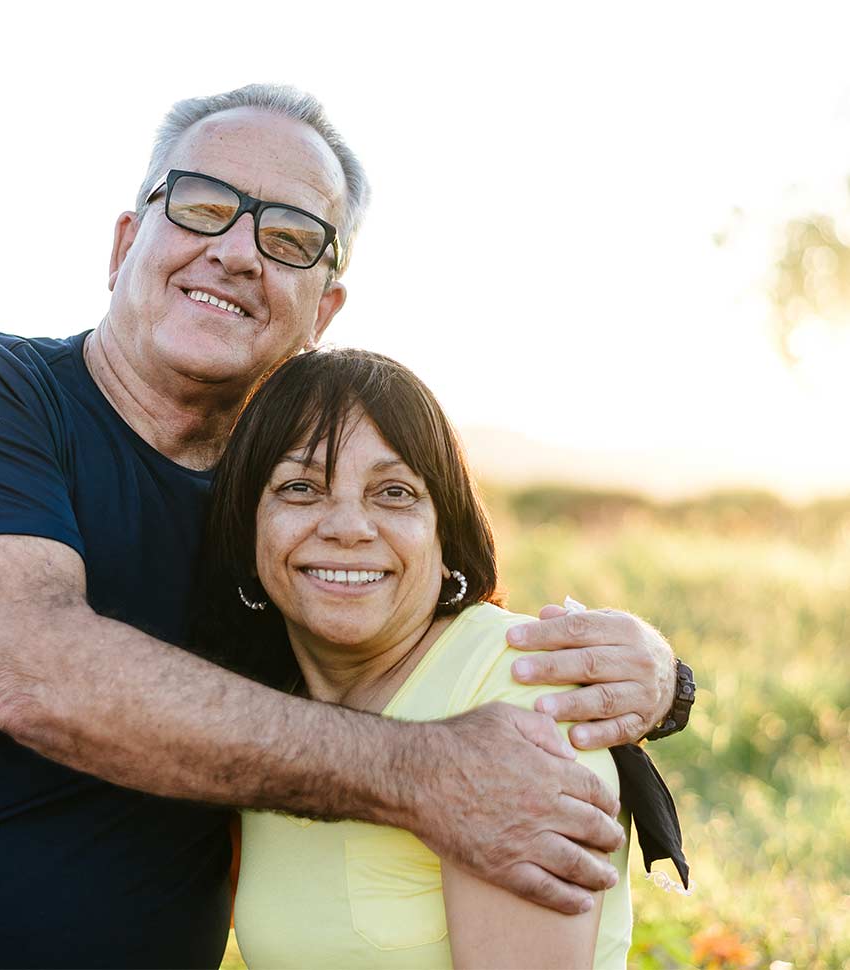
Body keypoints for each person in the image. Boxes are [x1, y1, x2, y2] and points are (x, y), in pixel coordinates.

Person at [0, 85, 683, 968]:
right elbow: (41, 678)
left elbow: (414, 644)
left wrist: (662, 681)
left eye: (289, 236)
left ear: (323, 309)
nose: (237, 251)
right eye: (201, 206)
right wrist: (429, 773)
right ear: (124, 244)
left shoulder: (282, 515)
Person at [201, 347, 635, 968]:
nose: (348, 526)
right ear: (246, 527)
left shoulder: (519, 689)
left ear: (444, 528)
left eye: (395, 492)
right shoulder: (266, 711)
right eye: (299, 487)